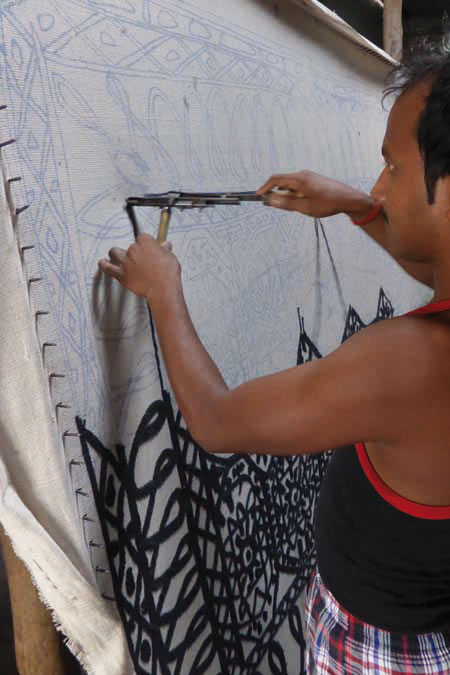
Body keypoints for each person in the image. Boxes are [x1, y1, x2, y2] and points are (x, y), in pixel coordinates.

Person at [99, 45, 450, 674]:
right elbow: (435, 268)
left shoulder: (411, 362)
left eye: (393, 168)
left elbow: (216, 421)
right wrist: (356, 206)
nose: (380, 186)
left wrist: (164, 292)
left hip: (378, 651)